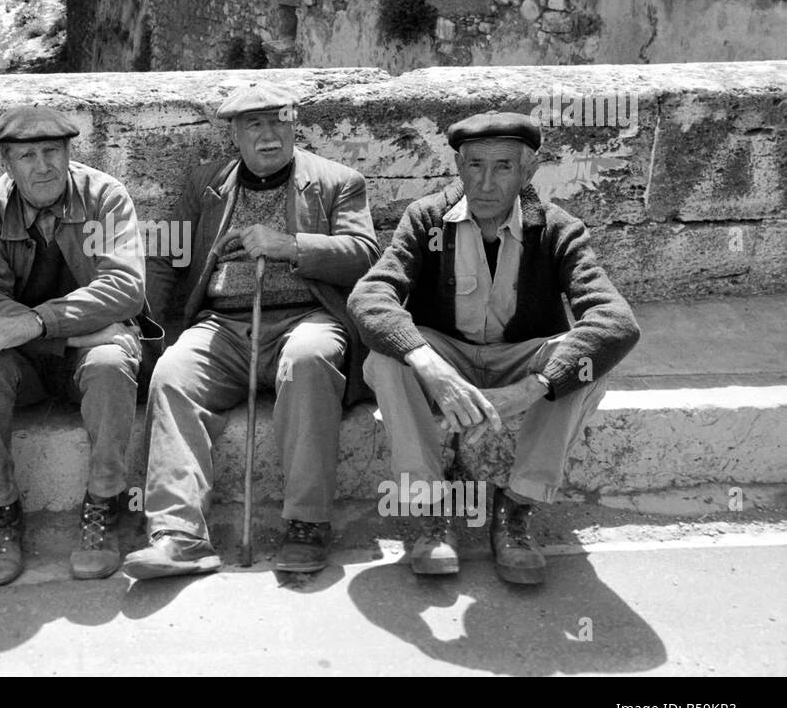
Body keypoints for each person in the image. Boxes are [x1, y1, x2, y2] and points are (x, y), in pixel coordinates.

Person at [349, 111, 641, 585]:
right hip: (448, 355)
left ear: (528, 172)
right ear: (459, 168)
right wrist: (427, 363)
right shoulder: (426, 219)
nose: (485, 183)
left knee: (587, 363)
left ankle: (516, 508)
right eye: (474, 166)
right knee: (388, 356)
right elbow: (370, 296)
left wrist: (533, 387)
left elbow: (616, 321)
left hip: (518, 357)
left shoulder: (557, 230)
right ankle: (430, 507)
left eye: (503, 167)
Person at [124, 83, 380, 579]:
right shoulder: (205, 183)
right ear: (235, 135)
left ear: (295, 124)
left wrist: (291, 245)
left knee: (309, 359)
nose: (268, 136)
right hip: (223, 324)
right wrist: (157, 332)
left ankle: (307, 523)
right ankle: (180, 536)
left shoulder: (338, 181)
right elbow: (164, 256)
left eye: (278, 122)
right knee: (173, 374)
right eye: (254, 125)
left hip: (307, 317)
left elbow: (365, 255)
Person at [0, 106, 150, 585]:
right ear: (6, 162)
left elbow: (125, 288)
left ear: (69, 154)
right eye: (27, 156)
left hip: (85, 354)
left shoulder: (105, 196)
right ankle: (1, 510)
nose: (42, 166)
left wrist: (40, 323)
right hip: (32, 359)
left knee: (109, 360)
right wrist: (67, 335)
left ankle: (104, 504)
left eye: (52, 152)